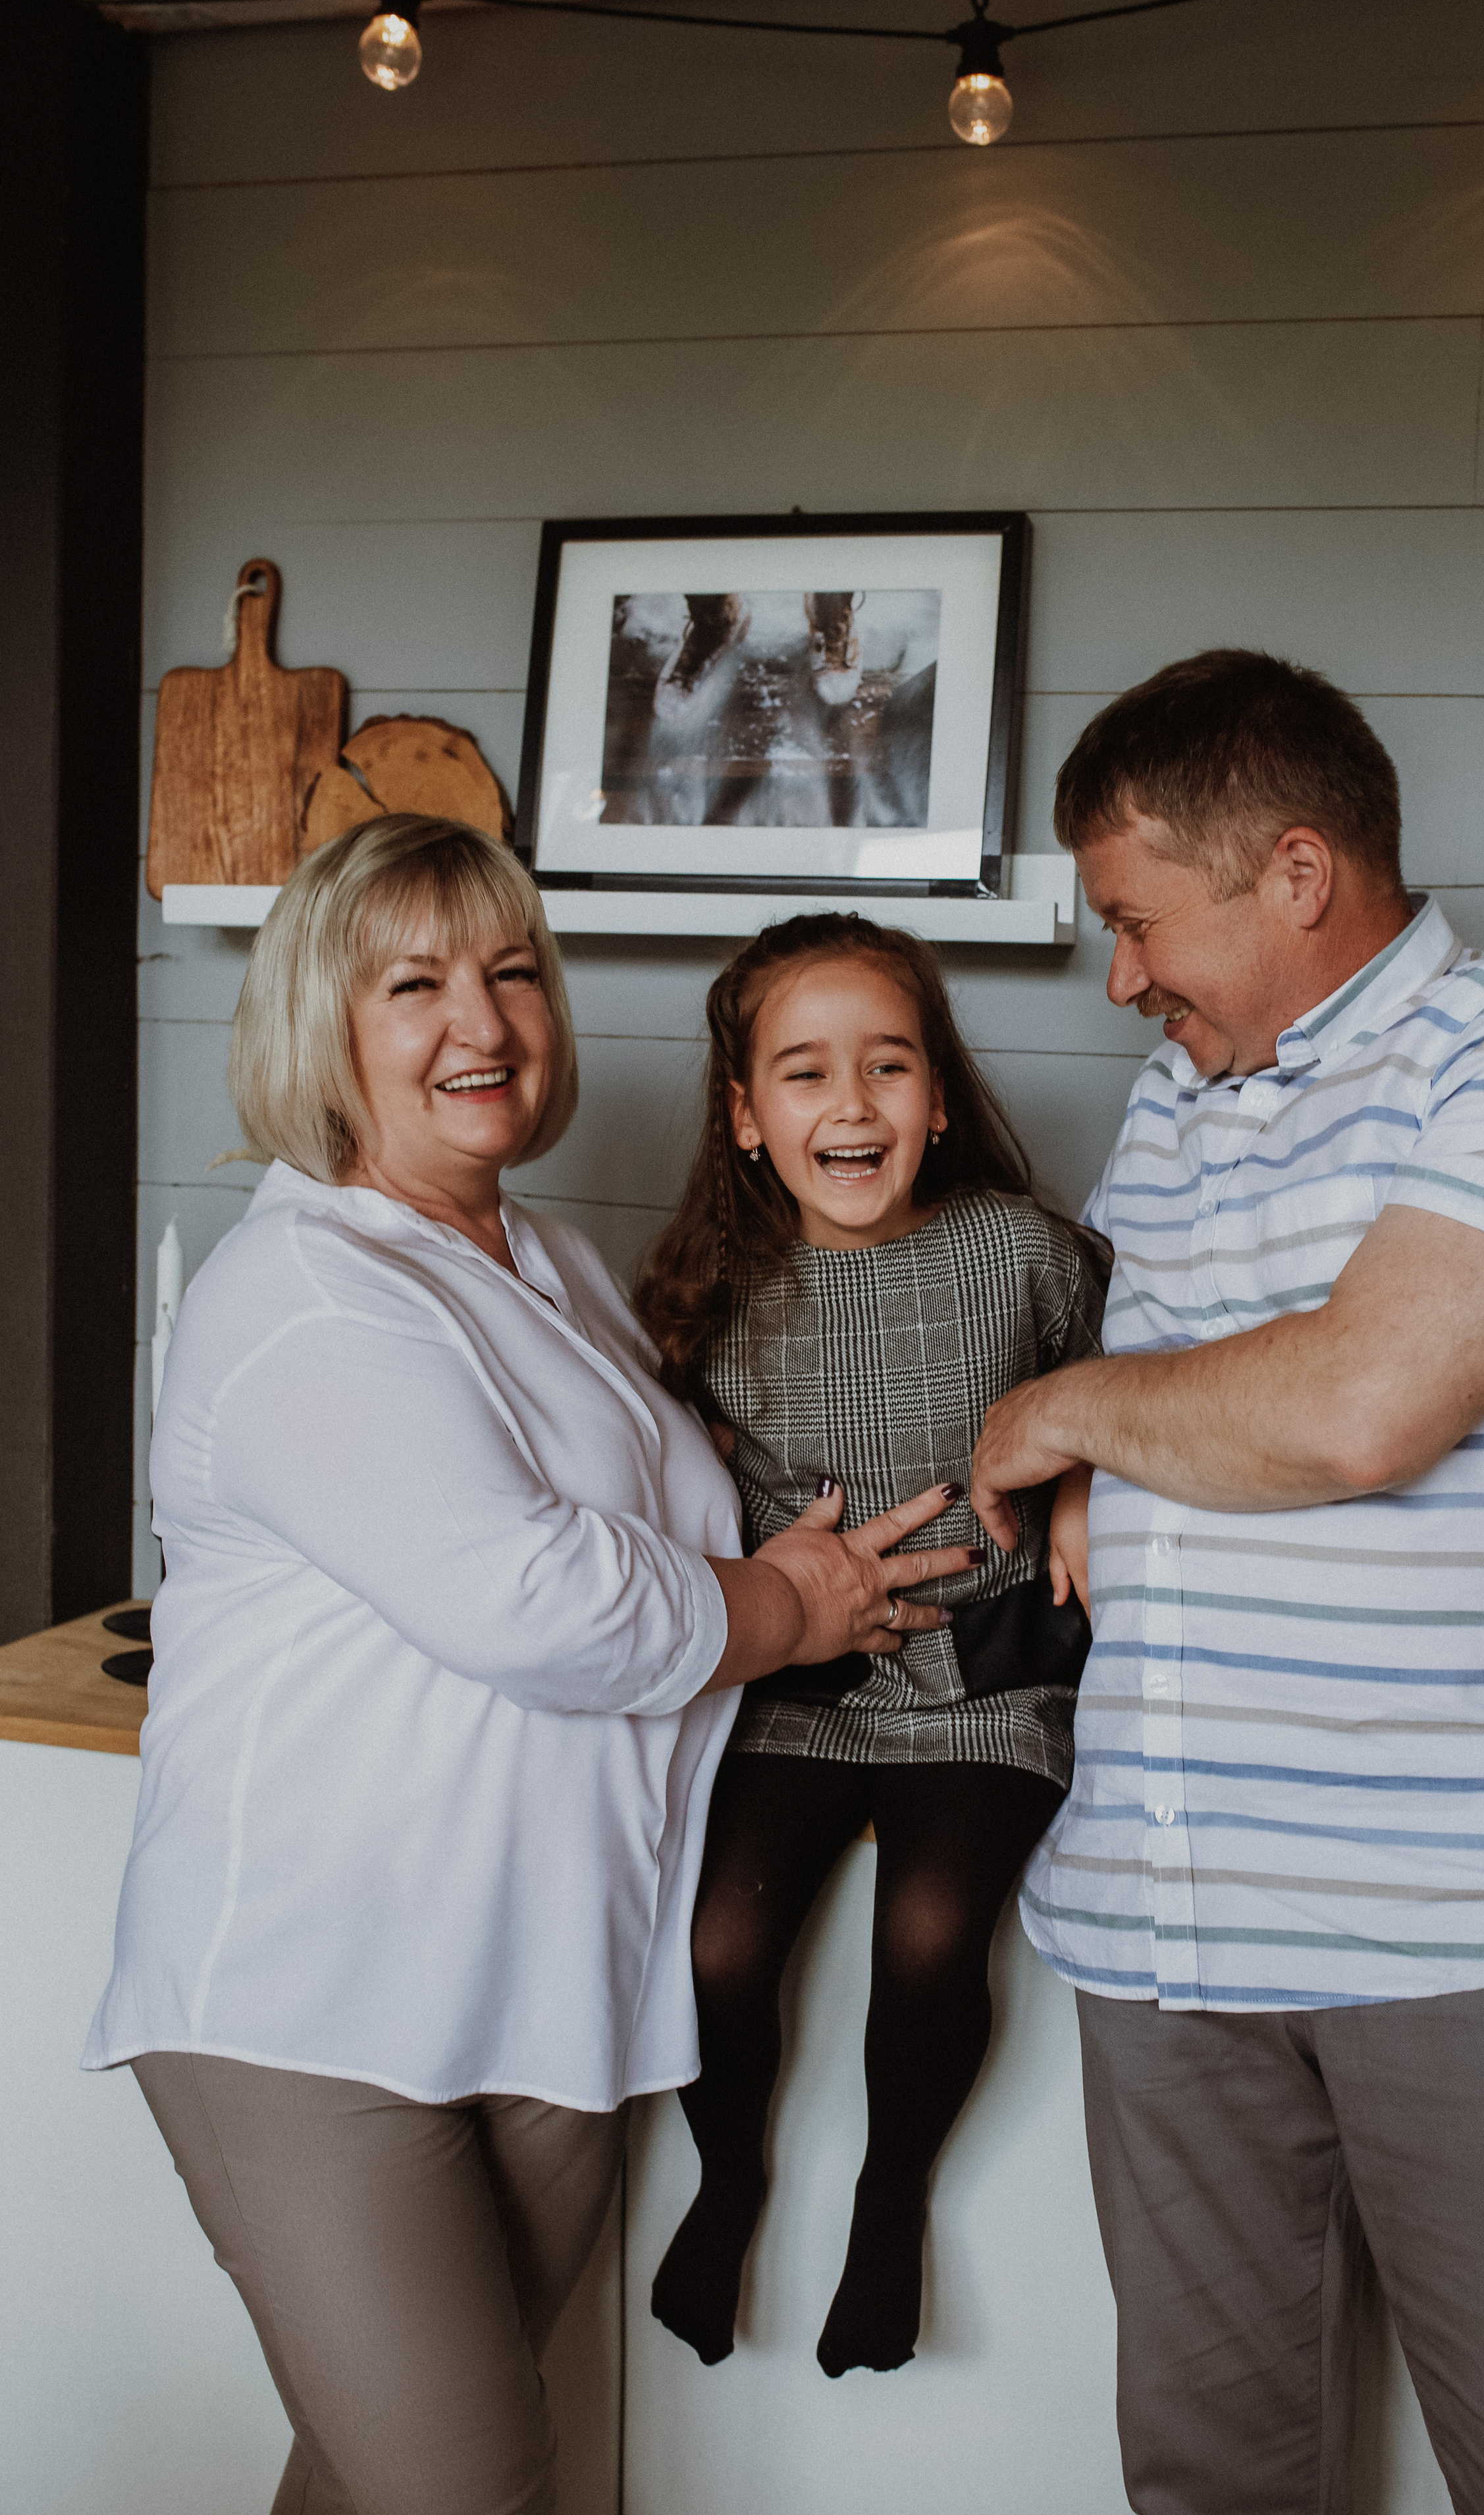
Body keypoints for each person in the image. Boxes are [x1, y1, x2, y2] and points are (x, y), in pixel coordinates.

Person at [83, 817, 974, 2515]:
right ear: (319, 1031)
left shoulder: (540, 1258)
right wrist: (790, 1607)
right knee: (474, 2487)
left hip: (550, 1987)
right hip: (317, 2003)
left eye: (508, 974)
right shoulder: (310, 1292)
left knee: (371, 2483)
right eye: (413, 983)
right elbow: (546, 1603)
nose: (479, 1025)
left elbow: (671, 1499)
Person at [967, 649, 1484, 2515]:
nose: (1120, 979)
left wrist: (1062, 1411)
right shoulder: (1174, 1104)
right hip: (1169, 1934)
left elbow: (1363, 1404)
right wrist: (1110, 1456)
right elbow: (1182, 1442)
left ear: (1296, 873)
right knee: (1207, 2485)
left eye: (1137, 923)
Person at [633, 912, 1110, 2377]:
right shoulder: (716, 1290)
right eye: (803, 1075)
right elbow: (670, 1475)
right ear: (745, 1116)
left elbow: (1108, 1385)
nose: (850, 1107)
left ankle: (888, 2198)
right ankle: (728, 2180)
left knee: (924, 1935)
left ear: (941, 1095)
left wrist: (1084, 1487)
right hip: (803, 1681)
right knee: (716, 1945)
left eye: (887, 1068)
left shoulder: (1020, 1252)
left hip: (982, 1673)